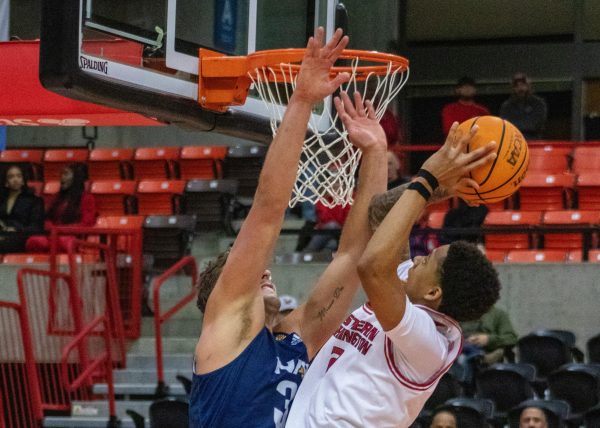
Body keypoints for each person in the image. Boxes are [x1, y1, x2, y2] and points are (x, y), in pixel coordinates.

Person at [190, 28, 390, 427]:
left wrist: (376, 153)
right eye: (246, 268)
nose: (264, 270)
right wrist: (301, 101)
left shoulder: (295, 341)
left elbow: (352, 256)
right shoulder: (226, 328)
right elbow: (266, 213)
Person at [286, 122, 501, 427]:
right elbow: (381, 211)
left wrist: (428, 177)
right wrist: (441, 188)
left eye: (426, 260)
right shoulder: (406, 285)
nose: (417, 260)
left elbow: (372, 268)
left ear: (433, 293)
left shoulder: (429, 341)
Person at [25, 163, 96, 253]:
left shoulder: (86, 198)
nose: (62, 178)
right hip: (53, 234)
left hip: (73, 236)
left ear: (76, 177)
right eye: (61, 175)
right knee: (33, 241)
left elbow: (87, 224)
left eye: (66, 174)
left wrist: (61, 230)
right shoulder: (56, 197)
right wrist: (50, 227)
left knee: (61, 242)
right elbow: (46, 218)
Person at [0, 165, 44, 253]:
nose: (15, 179)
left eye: (18, 176)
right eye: (11, 177)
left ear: (23, 180)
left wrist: (16, 230)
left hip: (21, 236)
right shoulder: (2, 199)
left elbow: (36, 227)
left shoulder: (35, 201)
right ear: (6, 181)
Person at [500, 72, 548, 140]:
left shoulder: (539, 103)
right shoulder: (506, 106)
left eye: (523, 85)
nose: (520, 88)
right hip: (513, 140)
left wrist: (518, 126)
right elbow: (506, 126)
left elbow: (536, 125)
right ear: (513, 88)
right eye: (517, 86)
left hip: (534, 141)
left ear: (528, 86)